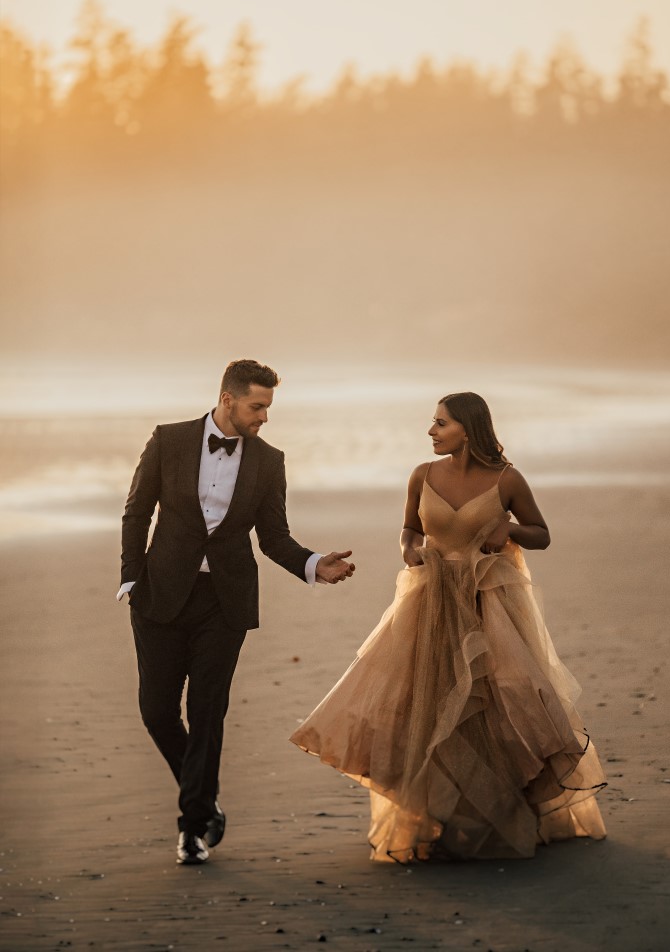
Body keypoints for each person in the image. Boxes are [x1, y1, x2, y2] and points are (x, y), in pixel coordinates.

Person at [291, 391, 606, 862]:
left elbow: (541, 534)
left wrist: (512, 531)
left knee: (498, 701)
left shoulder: (507, 480)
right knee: (424, 701)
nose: (431, 431)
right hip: (430, 601)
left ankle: (500, 817)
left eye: (441, 423)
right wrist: (409, 550)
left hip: (489, 603)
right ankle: (435, 817)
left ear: (468, 429)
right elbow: (408, 530)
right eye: (433, 422)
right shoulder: (422, 475)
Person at [119, 359, 355, 866]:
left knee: (207, 712)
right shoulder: (169, 439)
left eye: (268, 407)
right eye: (257, 406)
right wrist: (131, 578)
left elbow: (273, 537)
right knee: (157, 711)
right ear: (228, 400)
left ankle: (192, 828)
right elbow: (137, 510)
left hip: (224, 603)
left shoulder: (269, 462)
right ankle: (204, 797)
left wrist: (314, 564)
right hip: (160, 595)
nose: (265, 417)